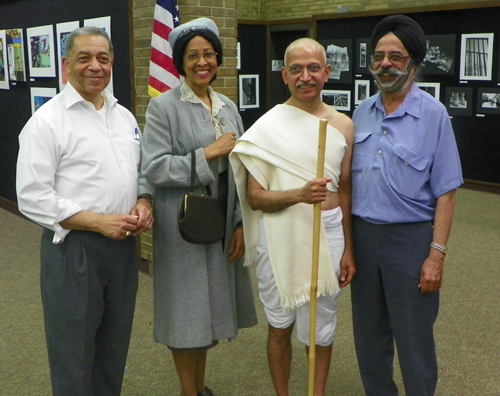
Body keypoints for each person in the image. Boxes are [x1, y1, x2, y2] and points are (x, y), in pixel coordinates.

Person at [16, 26, 154, 396]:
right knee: (74, 355)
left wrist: (142, 201)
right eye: (84, 58)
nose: (95, 66)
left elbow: (136, 171)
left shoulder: (122, 116)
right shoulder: (46, 122)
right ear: (66, 65)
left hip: (123, 248)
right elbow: (31, 195)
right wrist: (97, 222)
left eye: (103, 58)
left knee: (113, 349)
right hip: (74, 250)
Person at [230, 38, 356, 396]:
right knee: (280, 324)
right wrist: (298, 195)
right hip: (280, 233)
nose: (306, 76)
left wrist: (349, 248)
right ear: (284, 75)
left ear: (327, 73)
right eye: (296, 69)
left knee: (322, 327)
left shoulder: (343, 126)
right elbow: (255, 197)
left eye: (314, 68)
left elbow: (344, 188)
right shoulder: (267, 129)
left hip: (328, 230)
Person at [140, 18, 257, 396]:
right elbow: (155, 169)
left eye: (208, 54)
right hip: (182, 226)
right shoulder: (164, 108)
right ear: (180, 62)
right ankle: (188, 392)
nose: (202, 61)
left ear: (218, 59)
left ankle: (200, 386)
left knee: (206, 314)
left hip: (220, 222)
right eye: (193, 55)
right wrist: (208, 153)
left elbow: (239, 171)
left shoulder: (227, 106)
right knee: (185, 314)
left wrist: (240, 223)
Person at [350, 15, 463, 396]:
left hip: (411, 242)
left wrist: (437, 255)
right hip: (364, 239)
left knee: (413, 339)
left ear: (413, 62)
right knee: (369, 337)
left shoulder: (433, 116)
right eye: (379, 56)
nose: (385, 64)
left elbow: (447, 192)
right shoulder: (361, 112)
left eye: (395, 57)